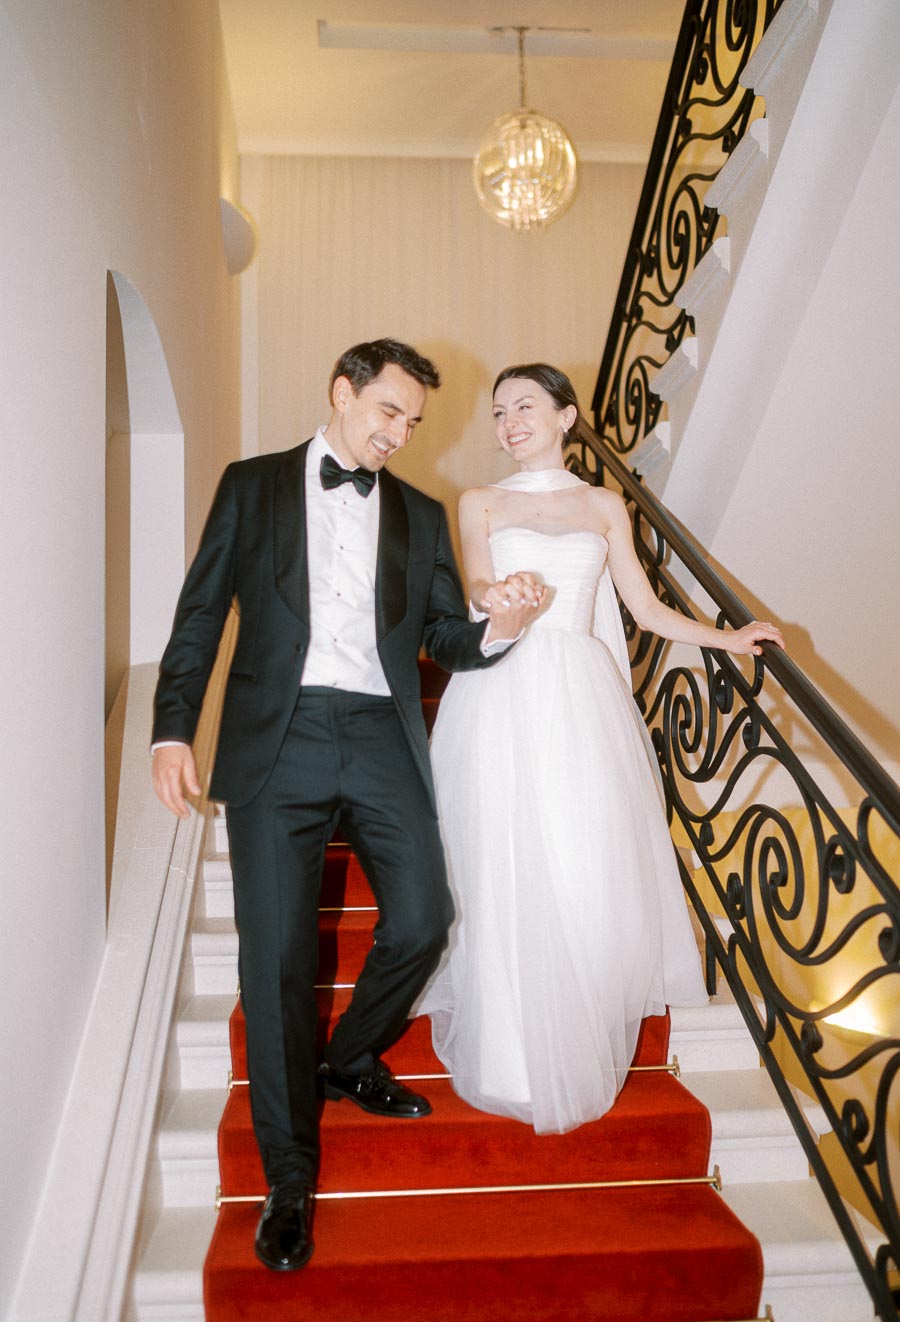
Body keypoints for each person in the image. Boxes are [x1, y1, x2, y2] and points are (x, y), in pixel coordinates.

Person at [151, 339, 541, 1271]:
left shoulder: (419, 513)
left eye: (413, 422)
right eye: (388, 412)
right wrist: (171, 729)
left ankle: (350, 1056)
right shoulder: (251, 486)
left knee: (423, 918)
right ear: (342, 391)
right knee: (277, 964)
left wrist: (501, 629)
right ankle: (289, 1181)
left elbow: (443, 636)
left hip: (378, 737)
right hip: (275, 740)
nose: (400, 434)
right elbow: (200, 613)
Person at [421, 363, 785, 1135]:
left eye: (525, 405)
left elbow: (644, 610)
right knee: (500, 862)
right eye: (499, 412)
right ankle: (509, 1055)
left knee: (580, 864)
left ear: (566, 415)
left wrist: (727, 638)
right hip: (501, 689)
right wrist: (499, 599)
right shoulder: (479, 500)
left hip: (581, 699)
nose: (510, 421)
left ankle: (571, 1042)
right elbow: (477, 584)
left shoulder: (603, 504)